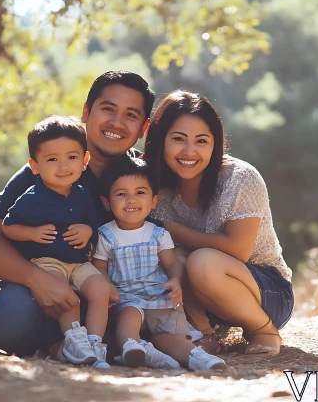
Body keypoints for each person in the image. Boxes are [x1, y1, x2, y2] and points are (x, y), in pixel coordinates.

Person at [0, 71, 155, 357]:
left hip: (112, 297)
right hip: (44, 286)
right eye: (108, 109)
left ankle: (79, 343)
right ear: (86, 112)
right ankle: (67, 341)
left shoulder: (143, 176)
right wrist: (36, 279)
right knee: (8, 323)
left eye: (131, 115)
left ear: (143, 127)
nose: (117, 122)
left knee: (145, 316)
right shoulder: (51, 166)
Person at [145, 90, 295, 355]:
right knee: (171, 256)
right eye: (178, 139)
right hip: (206, 301)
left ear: (215, 144)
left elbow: (238, 250)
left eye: (201, 141)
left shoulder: (239, 178)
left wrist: (172, 229)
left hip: (266, 292)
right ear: (160, 140)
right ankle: (205, 336)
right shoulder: (155, 187)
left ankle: (264, 331)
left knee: (200, 259)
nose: (189, 151)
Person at [92, 156, 226, 370]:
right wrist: (107, 286)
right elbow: (99, 266)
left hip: (158, 295)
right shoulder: (106, 234)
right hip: (126, 296)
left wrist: (175, 280)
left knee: (168, 335)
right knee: (130, 314)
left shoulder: (158, 234)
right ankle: (132, 346)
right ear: (106, 202)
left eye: (140, 192)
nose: (131, 200)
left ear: (154, 201)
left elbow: (173, 263)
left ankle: (195, 357)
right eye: (121, 194)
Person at [1, 116, 114, 368]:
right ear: (35, 165)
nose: (63, 166)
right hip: (47, 261)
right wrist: (31, 233)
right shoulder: (32, 197)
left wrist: (87, 231)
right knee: (63, 292)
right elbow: (8, 227)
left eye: (72, 158)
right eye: (52, 159)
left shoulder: (82, 194)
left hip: (79, 262)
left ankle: (95, 343)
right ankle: (74, 340)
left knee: (100, 289)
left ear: (85, 160)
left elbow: (93, 226)